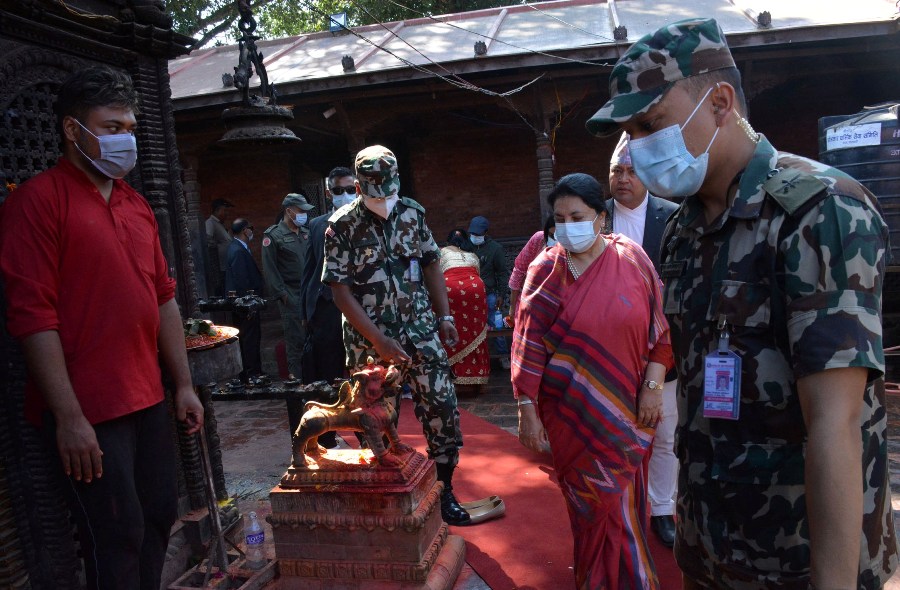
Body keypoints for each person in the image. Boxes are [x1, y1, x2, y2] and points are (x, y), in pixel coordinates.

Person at [585, 17, 898, 589]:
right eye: (630, 131)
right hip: (709, 548)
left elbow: (837, 421)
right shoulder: (683, 231)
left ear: (720, 102)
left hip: (799, 559)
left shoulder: (818, 213)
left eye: (651, 123)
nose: (638, 148)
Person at [0, 65, 204, 590]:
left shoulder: (136, 205)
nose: (125, 139)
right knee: (116, 535)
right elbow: (33, 316)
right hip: (89, 408)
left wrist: (182, 385)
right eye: (112, 127)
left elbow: (163, 299)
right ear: (73, 130)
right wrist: (68, 416)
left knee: (159, 516)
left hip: (148, 396)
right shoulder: (38, 201)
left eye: (130, 128)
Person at [511, 172, 673, 589]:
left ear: (601, 218)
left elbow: (662, 330)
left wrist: (654, 386)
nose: (567, 225)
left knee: (625, 507)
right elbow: (526, 343)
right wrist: (526, 408)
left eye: (577, 215)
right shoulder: (544, 270)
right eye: (559, 218)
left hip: (628, 412)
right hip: (571, 418)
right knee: (589, 509)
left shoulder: (633, 258)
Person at [323, 145, 471, 526]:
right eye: (376, 194)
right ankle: (393, 490)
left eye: (389, 193)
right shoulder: (341, 226)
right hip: (370, 342)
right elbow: (340, 291)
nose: (385, 201)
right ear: (358, 189)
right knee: (374, 418)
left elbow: (431, 263)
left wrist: (445, 316)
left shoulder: (412, 213)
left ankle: (444, 490)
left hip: (420, 330)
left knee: (442, 407)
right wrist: (378, 341)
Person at [606, 132, 680, 548]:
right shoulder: (595, 219)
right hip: (613, 348)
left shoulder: (673, 216)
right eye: (617, 170)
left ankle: (663, 510)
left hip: (664, 345)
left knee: (665, 433)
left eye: (632, 171)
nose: (624, 178)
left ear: (648, 175)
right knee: (617, 433)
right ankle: (621, 507)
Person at [299, 166, 357, 449]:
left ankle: (368, 436)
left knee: (361, 372)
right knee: (327, 374)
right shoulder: (317, 225)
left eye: (349, 189)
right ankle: (328, 437)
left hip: (360, 310)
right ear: (328, 192)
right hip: (326, 310)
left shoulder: (368, 221)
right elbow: (309, 272)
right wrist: (306, 314)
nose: (344, 195)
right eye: (338, 190)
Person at [262, 193, 314, 380]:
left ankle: (315, 382)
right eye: (301, 211)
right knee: (296, 343)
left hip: (310, 294)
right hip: (291, 296)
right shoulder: (273, 236)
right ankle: (299, 385)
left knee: (315, 340)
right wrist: (283, 296)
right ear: (289, 211)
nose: (304, 215)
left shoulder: (307, 233)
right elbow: (270, 270)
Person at [439, 229, 490, 391]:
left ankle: (449, 375)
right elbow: (477, 274)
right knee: (473, 330)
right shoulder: (472, 256)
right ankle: (477, 377)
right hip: (475, 287)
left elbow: (436, 275)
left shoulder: (442, 252)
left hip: (451, 288)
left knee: (450, 326)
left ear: (448, 242)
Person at [468, 215, 510, 367]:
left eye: (478, 234)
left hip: (489, 293)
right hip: (470, 294)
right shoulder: (466, 246)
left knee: (496, 325)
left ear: (485, 233)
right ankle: (477, 358)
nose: (475, 237)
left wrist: (501, 294)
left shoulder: (495, 249)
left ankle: (503, 355)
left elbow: (502, 273)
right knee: (472, 326)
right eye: (473, 234)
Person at [226, 218, 264, 383]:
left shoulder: (238, 248)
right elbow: (241, 279)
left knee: (250, 337)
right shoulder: (237, 250)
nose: (251, 231)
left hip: (246, 302)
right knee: (249, 338)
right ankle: (251, 373)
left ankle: (252, 371)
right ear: (244, 230)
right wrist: (248, 301)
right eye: (250, 228)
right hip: (246, 304)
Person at [506, 215, 555, 322]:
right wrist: (512, 310)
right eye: (551, 235)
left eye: (558, 236)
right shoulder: (538, 239)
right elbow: (518, 271)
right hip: (529, 302)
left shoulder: (572, 249)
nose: (554, 239)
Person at [205, 197, 234, 294]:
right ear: (217, 210)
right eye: (224, 210)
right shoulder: (210, 223)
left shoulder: (219, 224)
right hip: (219, 268)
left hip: (225, 265)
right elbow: (208, 241)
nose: (227, 213)